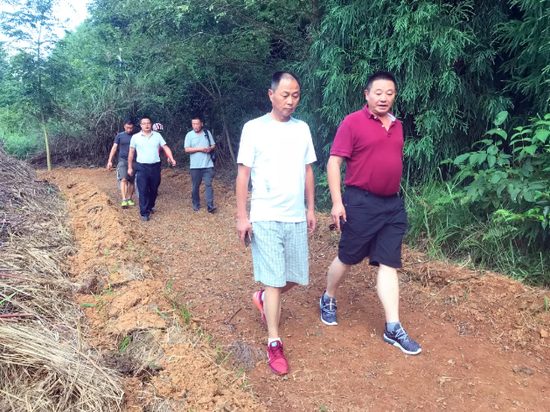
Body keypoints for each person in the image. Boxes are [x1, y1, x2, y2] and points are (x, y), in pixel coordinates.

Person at [319, 71, 422, 355]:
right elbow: (333, 163)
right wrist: (337, 202)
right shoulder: (352, 122)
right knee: (348, 256)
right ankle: (328, 297)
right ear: (366, 94)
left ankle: (393, 327)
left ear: (394, 96)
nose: (383, 98)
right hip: (360, 202)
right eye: (378, 92)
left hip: (391, 205)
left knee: (389, 262)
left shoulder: (398, 126)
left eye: (389, 93)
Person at [236, 72, 317, 375]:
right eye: (284, 94)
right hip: (265, 214)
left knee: (293, 277)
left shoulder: (302, 129)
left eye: (295, 95)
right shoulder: (254, 129)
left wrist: (311, 208)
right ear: (271, 95)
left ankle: (262, 298)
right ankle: (274, 341)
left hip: (295, 214)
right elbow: (243, 175)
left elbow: (308, 170)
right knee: (274, 280)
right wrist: (242, 216)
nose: (290, 101)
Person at [128, 117, 176, 221]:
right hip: (142, 166)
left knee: (154, 189)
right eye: (144, 123)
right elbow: (131, 153)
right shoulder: (135, 137)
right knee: (143, 189)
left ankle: (150, 206)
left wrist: (171, 157)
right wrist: (130, 167)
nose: (146, 125)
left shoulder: (157, 136)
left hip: (155, 166)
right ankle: (144, 212)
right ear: (140, 125)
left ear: (151, 124)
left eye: (148, 123)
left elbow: (165, 147)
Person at [184, 116, 217, 213]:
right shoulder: (189, 135)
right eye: (193, 124)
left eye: (197, 124)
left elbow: (213, 144)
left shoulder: (207, 133)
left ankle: (210, 205)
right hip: (195, 166)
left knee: (208, 184)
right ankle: (196, 203)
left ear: (201, 124)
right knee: (195, 186)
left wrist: (210, 148)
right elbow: (187, 149)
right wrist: (200, 149)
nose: (195, 126)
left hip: (208, 164)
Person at [106, 119, 136, 208]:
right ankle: (124, 199)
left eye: (131, 128)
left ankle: (129, 198)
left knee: (131, 181)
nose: (129, 130)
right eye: (127, 128)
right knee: (123, 179)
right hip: (123, 160)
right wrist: (109, 160)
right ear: (124, 126)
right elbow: (114, 147)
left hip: (134, 161)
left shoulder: (136, 136)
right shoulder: (120, 135)